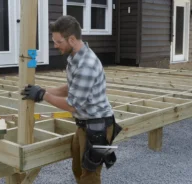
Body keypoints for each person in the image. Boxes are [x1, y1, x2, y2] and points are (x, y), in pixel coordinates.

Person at [21, 15, 122, 184]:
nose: (55, 46)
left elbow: (71, 105)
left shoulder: (86, 64)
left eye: (58, 41)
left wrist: (43, 95)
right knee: (78, 168)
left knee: (89, 176)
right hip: (85, 124)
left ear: (72, 39)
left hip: (98, 126)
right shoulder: (75, 58)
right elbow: (70, 88)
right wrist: (41, 91)